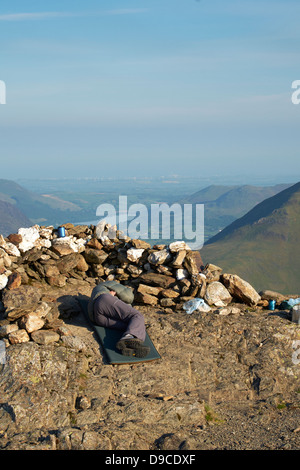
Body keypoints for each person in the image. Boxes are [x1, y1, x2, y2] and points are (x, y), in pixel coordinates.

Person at [93, 289, 150, 358]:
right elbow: (128, 297)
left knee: (131, 326)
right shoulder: (111, 287)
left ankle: (129, 348)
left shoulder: (98, 290)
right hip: (104, 300)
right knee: (137, 315)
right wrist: (112, 294)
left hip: (98, 319)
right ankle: (129, 337)